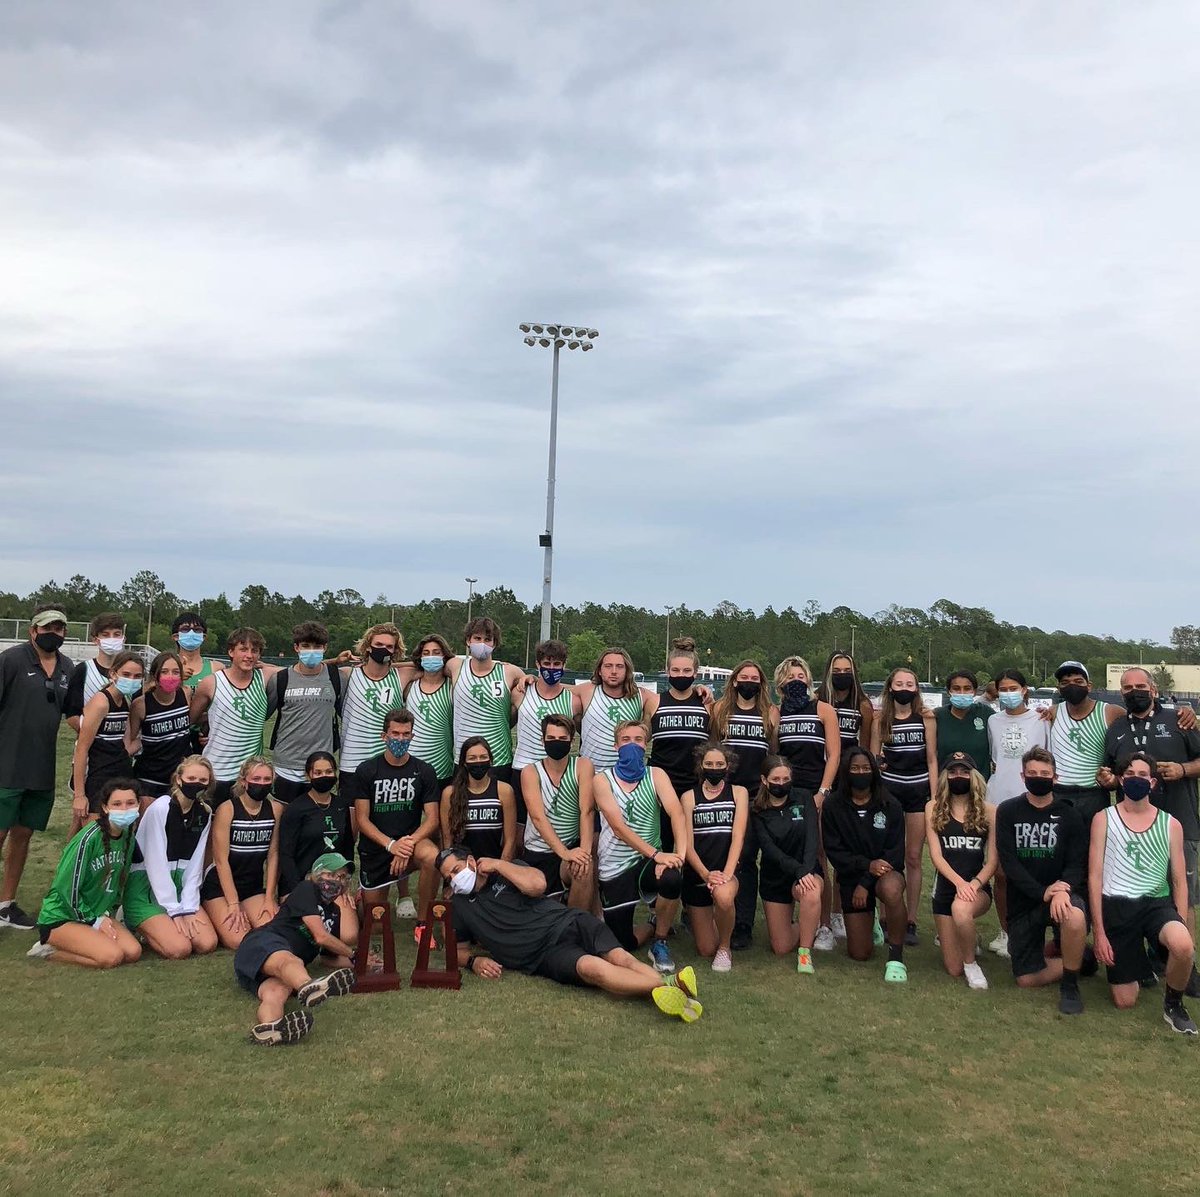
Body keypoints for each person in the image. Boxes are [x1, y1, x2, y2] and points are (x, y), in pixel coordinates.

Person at [438, 846, 703, 1023]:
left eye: (456, 870)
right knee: (595, 970)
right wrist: (474, 962)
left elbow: (537, 885)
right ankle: (670, 986)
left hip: (569, 920)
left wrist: (498, 864)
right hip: (545, 953)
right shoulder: (459, 907)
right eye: (449, 877)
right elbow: (456, 951)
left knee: (622, 958)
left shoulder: (507, 870)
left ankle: (670, 990)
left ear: (471, 861)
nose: (454, 879)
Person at [1099, 666, 1200, 993]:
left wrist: (1183, 769)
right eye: (1127, 687)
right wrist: (1108, 779)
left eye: (1140, 686)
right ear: (1121, 692)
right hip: (1131, 830)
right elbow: (1110, 771)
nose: (1134, 692)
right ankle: (1140, 960)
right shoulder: (1116, 729)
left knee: (1183, 893)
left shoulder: (1180, 720)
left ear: (1153, 690)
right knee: (1136, 893)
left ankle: (1185, 965)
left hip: (1179, 821)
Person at [1090, 753, 1197, 1033]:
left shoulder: (1170, 824)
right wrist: (1099, 932)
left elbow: (1179, 880)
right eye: (1129, 775)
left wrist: (1180, 920)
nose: (1135, 780)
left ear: (1152, 783)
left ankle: (1173, 1005)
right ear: (1120, 780)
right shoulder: (1104, 819)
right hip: (1118, 906)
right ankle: (1140, 966)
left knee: (1183, 945)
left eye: (1142, 775)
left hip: (1155, 905)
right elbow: (1095, 877)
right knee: (1125, 1001)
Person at [995, 746, 1088, 1015]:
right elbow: (1009, 863)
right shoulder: (1008, 811)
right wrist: (1042, 892)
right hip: (1025, 900)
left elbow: (1076, 864)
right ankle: (1080, 958)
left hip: (1060, 895)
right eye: (1032, 773)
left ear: (1055, 778)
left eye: (1045, 774)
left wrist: (1062, 891)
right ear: (1022, 776)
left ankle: (1070, 985)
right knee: (1025, 979)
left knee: (1074, 916)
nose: (1038, 778)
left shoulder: (1070, 815)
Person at [232, 852, 359, 1046]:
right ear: (317, 874)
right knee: (290, 961)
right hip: (263, 943)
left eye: (342, 877)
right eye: (332, 875)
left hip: (260, 967)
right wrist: (352, 953)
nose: (338, 882)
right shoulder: (306, 889)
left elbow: (329, 957)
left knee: (276, 992)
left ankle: (269, 1028)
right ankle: (308, 986)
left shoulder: (334, 912)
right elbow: (320, 936)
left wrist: (360, 961)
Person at [592, 720, 686, 973]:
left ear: (646, 745)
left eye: (638, 740)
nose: (632, 745)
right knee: (623, 944)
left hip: (648, 863)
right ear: (615, 746)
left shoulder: (656, 775)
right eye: (625, 740)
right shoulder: (602, 780)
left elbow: (676, 813)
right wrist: (657, 854)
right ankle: (653, 924)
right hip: (615, 865)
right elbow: (618, 827)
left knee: (672, 878)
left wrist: (678, 856)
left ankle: (660, 941)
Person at [0, 606, 74, 929]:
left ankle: (6, 904)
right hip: (6, 764)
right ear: (33, 630)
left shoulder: (68, 667)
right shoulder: (11, 660)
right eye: (47, 627)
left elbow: (75, 713)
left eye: (58, 628)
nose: (52, 633)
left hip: (41, 768)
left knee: (24, 834)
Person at [30, 778, 142, 968]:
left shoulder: (128, 836)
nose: (124, 809)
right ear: (105, 808)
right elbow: (66, 889)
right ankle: (49, 949)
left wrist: (105, 915)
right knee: (112, 957)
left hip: (98, 913)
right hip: (63, 916)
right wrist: (93, 920)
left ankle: (86, 940)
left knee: (133, 952)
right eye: (117, 804)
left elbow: (118, 881)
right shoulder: (88, 839)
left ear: (138, 804)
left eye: (130, 803)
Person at [353, 709, 440, 942]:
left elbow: (433, 818)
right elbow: (362, 819)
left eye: (406, 734)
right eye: (395, 733)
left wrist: (407, 844)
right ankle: (363, 896)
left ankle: (423, 923)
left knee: (432, 856)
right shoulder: (367, 770)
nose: (400, 739)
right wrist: (391, 845)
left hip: (409, 847)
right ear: (384, 736)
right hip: (377, 849)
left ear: (412, 736)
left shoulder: (424, 771)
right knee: (375, 925)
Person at [822, 747, 909, 981]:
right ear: (845, 771)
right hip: (851, 876)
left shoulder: (890, 805)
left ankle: (896, 956)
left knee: (892, 890)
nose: (861, 772)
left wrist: (867, 880)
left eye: (865, 768)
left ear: (874, 771)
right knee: (859, 953)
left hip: (884, 873)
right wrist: (865, 868)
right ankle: (871, 921)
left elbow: (895, 853)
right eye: (855, 768)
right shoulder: (833, 806)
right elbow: (835, 852)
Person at [984, 669, 1051, 960]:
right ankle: (1006, 932)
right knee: (1000, 872)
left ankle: (1033, 934)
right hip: (998, 801)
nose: (1008, 693)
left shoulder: (1041, 719)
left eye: (1013, 688)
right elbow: (995, 759)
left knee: (1033, 872)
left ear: (1024, 689)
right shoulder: (993, 721)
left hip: (1032, 802)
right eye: (1003, 688)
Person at [774, 655, 841, 950]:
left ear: (809, 679)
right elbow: (774, 755)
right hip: (785, 793)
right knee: (787, 852)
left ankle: (824, 924)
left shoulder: (823, 709)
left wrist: (823, 792)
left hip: (815, 791)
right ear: (780, 682)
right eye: (790, 677)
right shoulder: (777, 713)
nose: (796, 681)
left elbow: (834, 755)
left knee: (818, 855)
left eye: (800, 676)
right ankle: (789, 916)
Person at [123, 754, 219, 959]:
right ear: (178, 779)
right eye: (191, 778)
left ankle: (163, 924)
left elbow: (195, 864)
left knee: (207, 943)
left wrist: (189, 906)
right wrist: (174, 910)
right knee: (179, 949)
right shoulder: (161, 808)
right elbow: (155, 862)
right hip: (146, 889)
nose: (196, 784)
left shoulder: (204, 812)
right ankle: (134, 921)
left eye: (202, 780)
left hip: (179, 889)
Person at [711, 659, 777, 950]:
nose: (749, 682)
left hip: (754, 796)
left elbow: (773, 753)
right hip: (725, 793)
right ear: (735, 681)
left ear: (761, 683)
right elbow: (712, 749)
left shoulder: (769, 713)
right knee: (721, 855)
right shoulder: (720, 709)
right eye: (744, 677)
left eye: (755, 678)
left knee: (747, 859)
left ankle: (743, 924)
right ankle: (718, 916)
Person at [871, 666, 937, 946]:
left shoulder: (926, 718)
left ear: (916, 688)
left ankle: (910, 920)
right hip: (889, 794)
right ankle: (886, 917)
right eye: (899, 684)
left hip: (918, 792)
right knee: (887, 855)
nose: (904, 688)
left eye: (910, 684)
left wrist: (935, 797)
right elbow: (874, 760)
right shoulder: (881, 720)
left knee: (912, 857)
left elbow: (932, 759)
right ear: (890, 687)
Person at [925, 752, 997, 990]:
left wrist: (973, 885)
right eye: (953, 772)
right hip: (945, 890)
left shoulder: (989, 811)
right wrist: (959, 883)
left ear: (973, 776)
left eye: (965, 772)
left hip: (977, 889)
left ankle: (972, 964)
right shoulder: (933, 808)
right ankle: (967, 938)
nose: (959, 776)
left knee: (961, 908)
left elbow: (992, 862)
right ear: (945, 776)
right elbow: (936, 856)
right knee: (953, 969)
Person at [200, 755, 282, 950]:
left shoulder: (275, 809)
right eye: (256, 779)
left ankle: (245, 912)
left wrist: (269, 898)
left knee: (274, 930)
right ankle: (212, 911)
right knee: (238, 939)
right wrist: (233, 903)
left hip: (252, 886)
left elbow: (273, 855)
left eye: (266, 779)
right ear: (244, 781)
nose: (261, 784)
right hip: (221, 887)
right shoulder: (227, 809)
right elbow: (221, 860)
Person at [680, 742, 747, 972]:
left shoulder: (739, 793)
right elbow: (687, 845)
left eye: (719, 764)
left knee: (724, 896)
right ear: (701, 765)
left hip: (727, 872)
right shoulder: (689, 797)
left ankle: (725, 947)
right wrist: (706, 874)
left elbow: (738, 836)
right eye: (709, 764)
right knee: (706, 948)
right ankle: (716, 923)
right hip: (699, 875)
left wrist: (726, 875)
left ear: (728, 766)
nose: (714, 768)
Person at [751, 755, 821, 972]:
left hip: (806, 869)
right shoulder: (757, 809)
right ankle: (810, 922)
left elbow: (812, 838)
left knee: (811, 892)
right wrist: (797, 870)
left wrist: (805, 870)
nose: (781, 784)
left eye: (785, 779)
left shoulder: (804, 797)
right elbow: (769, 850)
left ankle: (805, 953)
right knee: (781, 948)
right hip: (775, 876)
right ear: (764, 780)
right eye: (775, 779)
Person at [189, 628, 274, 801]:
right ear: (230, 651)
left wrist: (264, 665)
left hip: (249, 775)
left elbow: (298, 670)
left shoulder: (264, 677)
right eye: (243, 649)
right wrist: (208, 725)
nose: (249, 655)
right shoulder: (211, 682)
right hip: (216, 771)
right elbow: (191, 719)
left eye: (254, 651)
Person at [520, 714, 596, 908]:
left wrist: (584, 853)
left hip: (571, 845)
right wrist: (564, 853)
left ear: (571, 741)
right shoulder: (530, 771)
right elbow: (538, 817)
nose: (556, 742)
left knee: (583, 869)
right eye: (551, 738)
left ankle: (576, 922)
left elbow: (587, 811)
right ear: (542, 740)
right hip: (540, 850)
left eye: (562, 739)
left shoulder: (582, 766)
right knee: (545, 912)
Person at [266, 621, 344, 804]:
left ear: (325, 647)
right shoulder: (280, 679)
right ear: (296, 647)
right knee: (282, 817)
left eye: (317, 646)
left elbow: (346, 714)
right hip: (286, 765)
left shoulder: (337, 677)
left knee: (316, 817)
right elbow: (262, 716)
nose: (311, 651)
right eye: (306, 646)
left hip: (321, 766)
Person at [447, 617, 529, 784]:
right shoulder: (455, 666)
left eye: (487, 639)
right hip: (464, 759)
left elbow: (535, 690)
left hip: (499, 759)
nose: (482, 643)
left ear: (495, 643)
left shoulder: (510, 672)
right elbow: (418, 667)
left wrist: (530, 677)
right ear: (468, 640)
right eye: (477, 638)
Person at [70, 649, 143, 834]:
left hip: (120, 774)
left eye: (137, 676)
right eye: (126, 674)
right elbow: (81, 749)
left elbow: (125, 745)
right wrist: (79, 795)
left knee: (117, 836)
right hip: (98, 776)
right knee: (92, 836)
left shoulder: (125, 701)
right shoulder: (101, 702)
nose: (132, 680)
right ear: (113, 673)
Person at [650, 638, 712, 853]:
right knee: (664, 844)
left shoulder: (707, 704)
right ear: (667, 671)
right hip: (661, 786)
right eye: (675, 670)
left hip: (695, 784)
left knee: (694, 846)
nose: (681, 675)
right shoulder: (654, 702)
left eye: (687, 671)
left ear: (695, 673)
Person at [337, 622, 412, 799]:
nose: (383, 649)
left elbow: (428, 664)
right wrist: (335, 661)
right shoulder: (348, 674)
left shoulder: (402, 675)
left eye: (389, 647)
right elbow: (314, 671)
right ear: (368, 646)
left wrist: (393, 664)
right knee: (352, 815)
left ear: (395, 651)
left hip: (387, 762)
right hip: (352, 763)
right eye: (378, 644)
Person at [277, 751, 354, 897]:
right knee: (310, 911)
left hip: (333, 882)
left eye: (329, 772)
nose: (324, 776)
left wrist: (344, 883)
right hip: (301, 881)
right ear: (308, 775)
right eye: (318, 773)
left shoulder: (341, 806)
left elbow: (348, 846)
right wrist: (299, 890)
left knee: (345, 912)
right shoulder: (296, 809)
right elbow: (286, 855)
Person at [511, 638, 581, 796]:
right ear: (538, 664)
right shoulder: (520, 693)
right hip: (522, 767)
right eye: (547, 663)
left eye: (557, 664)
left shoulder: (574, 701)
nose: (551, 668)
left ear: (564, 665)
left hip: (557, 773)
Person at [577, 648, 658, 771]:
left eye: (619, 666)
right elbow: (556, 690)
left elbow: (671, 699)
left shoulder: (642, 696)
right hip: (591, 774)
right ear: (599, 670)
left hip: (628, 774)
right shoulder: (586, 691)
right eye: (608, 666)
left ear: (627, 670)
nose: (614, 671)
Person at [440, 737, 517, 864]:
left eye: (483, 757)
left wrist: (501, 867)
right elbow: (447, 840)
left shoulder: (504, 791)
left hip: (494, 865)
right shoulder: (449, 794)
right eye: (472, 758)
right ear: (464, 763)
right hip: (462, 867)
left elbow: (510, 840)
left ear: (490, 760)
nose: (478, 762)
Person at [128, 651, 192, 797]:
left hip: (178, 779)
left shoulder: (186, 693)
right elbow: (131, 739)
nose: (170, 676)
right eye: (164, 672)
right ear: (155, 675)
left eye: (176, 672)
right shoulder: (141, 704)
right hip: (150, 779)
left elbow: (191, 722)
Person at [404, 633, 456, 791]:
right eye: (426, 653)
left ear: (444, 656)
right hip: (411, 766)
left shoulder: (453, 686)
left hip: (442, 767)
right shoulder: (409, 686)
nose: (431, 657)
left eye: (436, 652)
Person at [64, 612, 127, 733]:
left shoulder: (131, 672)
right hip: (92, 741)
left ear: (123, 638)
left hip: (122, 741)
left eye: (117, 634)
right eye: (105, 635)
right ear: (95, 639)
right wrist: (90, 736)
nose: (111, 639)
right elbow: (72, 715)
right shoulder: (83, 670)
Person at [935, 671, 994, 778]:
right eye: (956, 688)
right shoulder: (937, 716)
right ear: (948, 691)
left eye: (967, 688)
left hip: (979, 784)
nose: (962, 693)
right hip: (946, 784)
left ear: (974, 691)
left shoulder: (986, 713)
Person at [816, 652, 874, 751]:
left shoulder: (863, 704)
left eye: (847, 670)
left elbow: (865, 746)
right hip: (821, 757)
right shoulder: (817, 700)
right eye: (836, 671)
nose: (842, 674)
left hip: (849, 757)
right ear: (829, 673)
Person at [173, 610, 225, 693]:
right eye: (185, 629)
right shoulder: (165, 665)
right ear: (176, 636)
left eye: (197, 630)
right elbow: (152, 690)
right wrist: (176, 677)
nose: (191, 633)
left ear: (203, 637)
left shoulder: (217, 668)